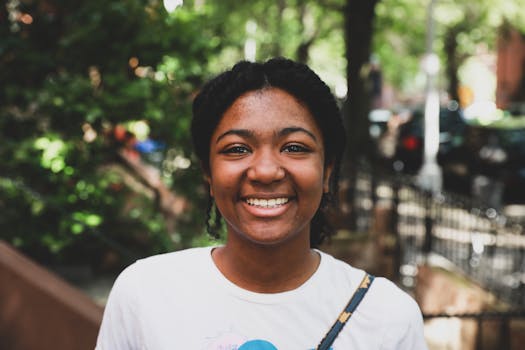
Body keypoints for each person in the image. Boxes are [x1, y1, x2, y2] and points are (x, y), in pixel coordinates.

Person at [95, 57, 427, 349]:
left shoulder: (387, 318)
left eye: (295, 147)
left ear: (327, 172)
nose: (266, 171)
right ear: (208, 174)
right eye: (237, 148)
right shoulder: (145, 294)